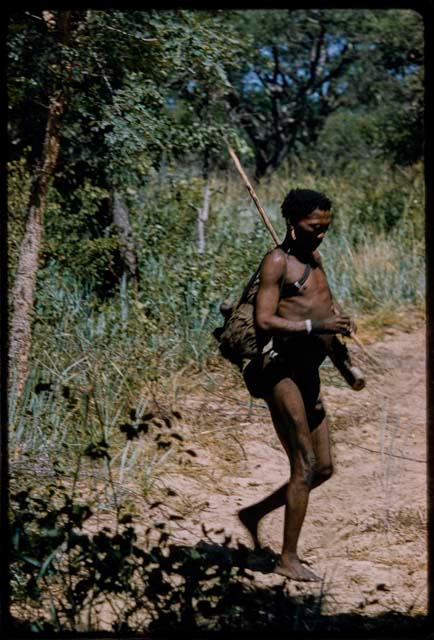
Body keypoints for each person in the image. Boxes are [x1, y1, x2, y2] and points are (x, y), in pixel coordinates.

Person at [238, 188, 356, 582]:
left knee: (322, 468)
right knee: (303, 465)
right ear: (293, 223)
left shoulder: (314, 258)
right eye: (313, 227)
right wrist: (315, 326)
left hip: (309, 371)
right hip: (280, 371)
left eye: (326, 228)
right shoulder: (276, 262)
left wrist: (337, 324)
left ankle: (254, 514)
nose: (320, 234)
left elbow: (326, 306)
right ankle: (288, 559)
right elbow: (265, 321)